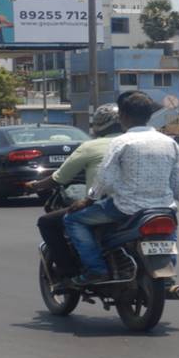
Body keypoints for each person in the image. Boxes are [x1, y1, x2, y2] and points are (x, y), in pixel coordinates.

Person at [63, 91, 179, 286]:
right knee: (169, 227)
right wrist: (177, 197)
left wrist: (88, 200)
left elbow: (105, 179)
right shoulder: (170, 143)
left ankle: (96, 270)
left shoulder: (121, 142)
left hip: (125, 208)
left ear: (123, 116)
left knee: (72, 220)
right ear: (149, 116)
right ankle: (167, 277)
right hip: (163, 208)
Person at [25, 104, 124, 278]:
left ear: (99, 124)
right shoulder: (138, 143)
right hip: (151, 205)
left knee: (51, 222)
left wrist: (35, 186)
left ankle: (76, 270)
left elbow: (59, 177)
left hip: (111, 205)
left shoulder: (92, 146)